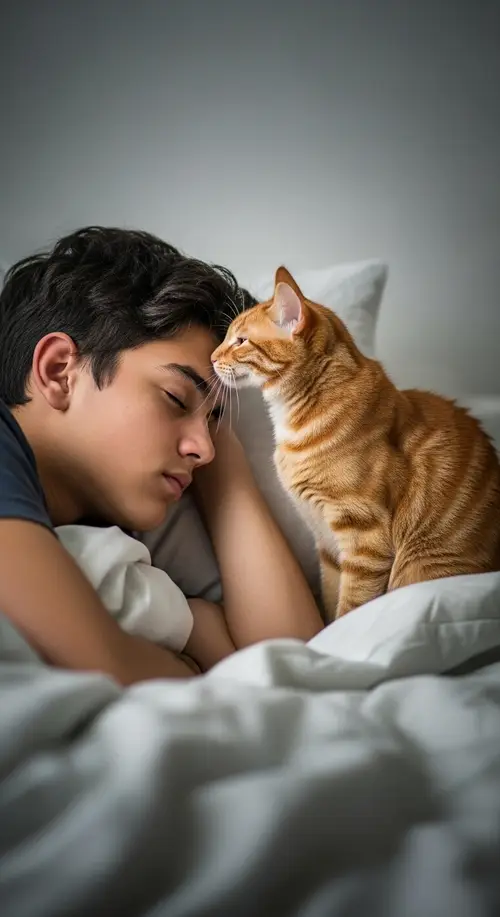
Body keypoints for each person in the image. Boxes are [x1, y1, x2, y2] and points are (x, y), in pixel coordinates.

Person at [0, 226, 323, 684]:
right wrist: (172, 662)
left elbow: (296, 666)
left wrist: (221, 452)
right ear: (58, 371)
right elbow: (104, 663)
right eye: (174, 398)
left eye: (213, 422)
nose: (205, 450)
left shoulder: (111, 545)